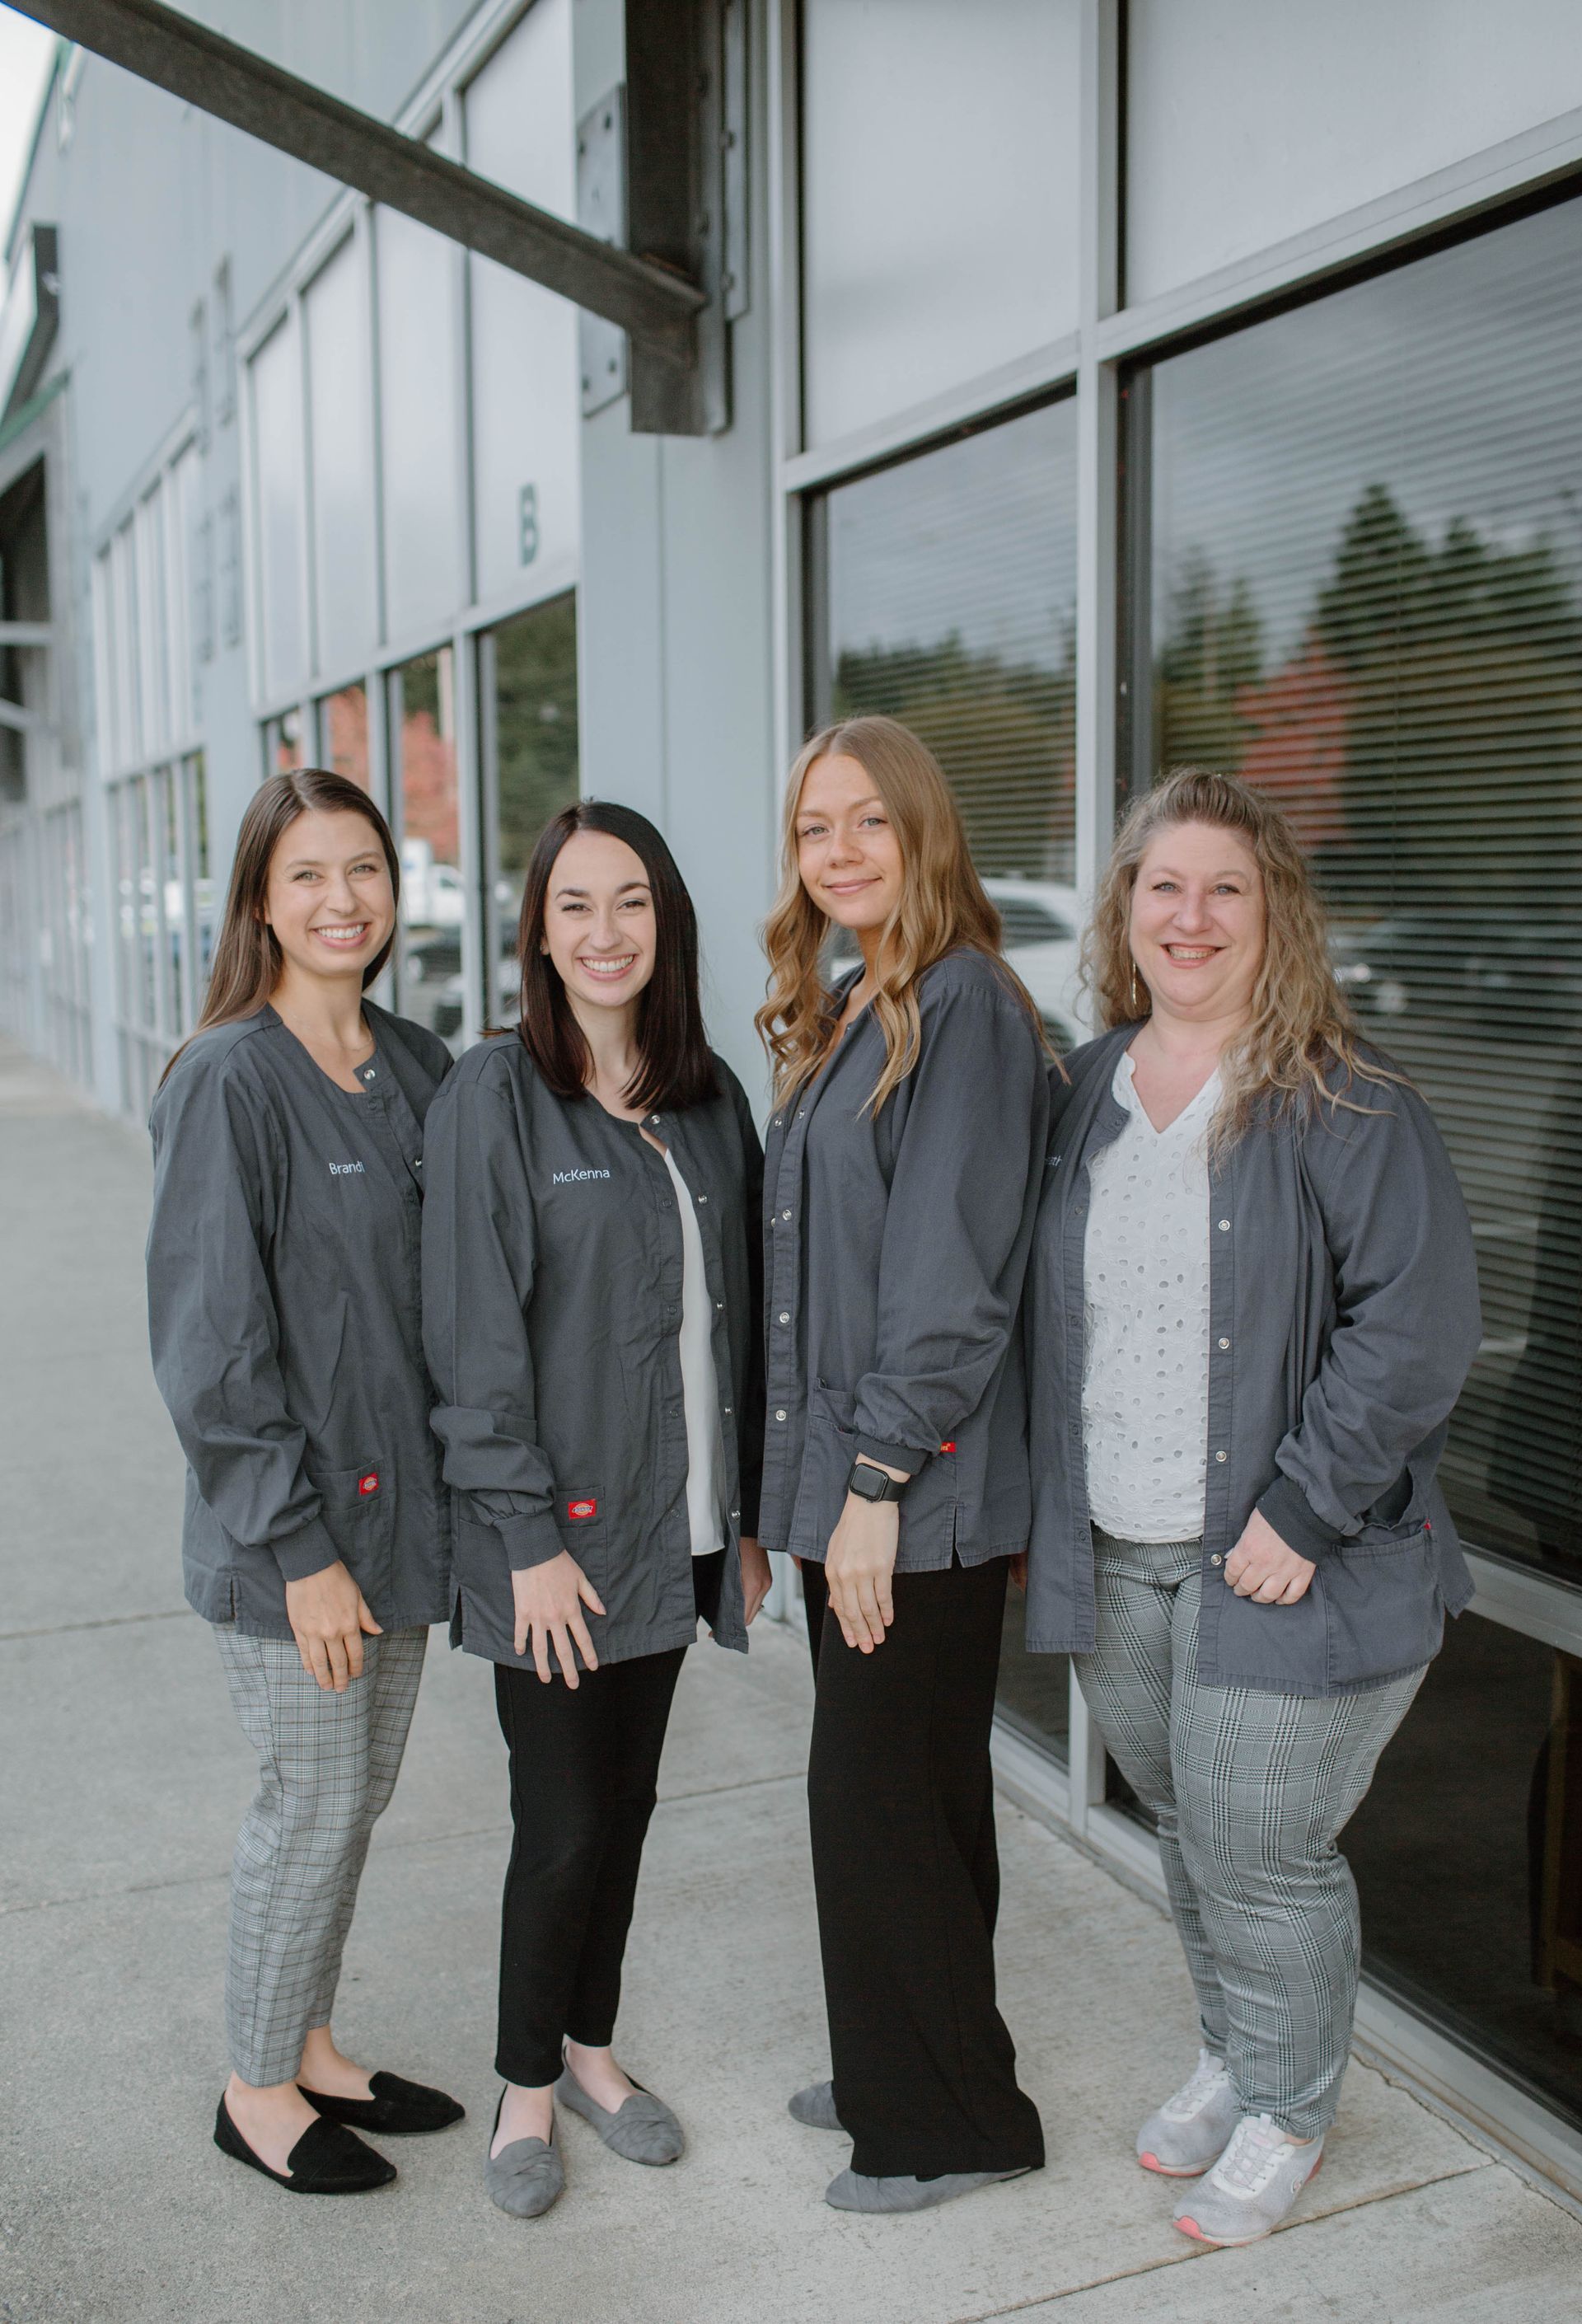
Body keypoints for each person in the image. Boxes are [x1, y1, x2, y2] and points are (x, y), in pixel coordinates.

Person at [1023, 766, 1481, 2247]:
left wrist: (1303, 1509)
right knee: (1182, 1822)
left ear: (1276, 913)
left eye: (1228, 887)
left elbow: (1415, 1332)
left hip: (1291, 1562)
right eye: (1166, 886)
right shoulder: (1082, 1093)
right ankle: (1233, 2050)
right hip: (1118, 1551)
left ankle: (1288, 2109)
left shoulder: (1350, 1103)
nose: (1193, 915)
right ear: (1126, 911)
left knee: (1263, 1844)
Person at [420, 800, 770, 2222]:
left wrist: (741, 1514)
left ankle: (591, 2050)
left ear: (665, 920)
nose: (605, 933)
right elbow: (471, 1344)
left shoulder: (708, 1098)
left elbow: (732, 1324)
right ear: (538, 930)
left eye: (630, 903)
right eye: (575, 905)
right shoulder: (494, 1095)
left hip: (679, 1534)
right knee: (559, 1824)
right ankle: (521, 2090)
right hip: (555, 1547)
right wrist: (526, 1543)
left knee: (625, 1813)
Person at [147, 769, 461, 2199]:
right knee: (311, 1801)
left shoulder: (418, 1064)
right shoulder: (226, 1076)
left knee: (361, 1795)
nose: (344, 901)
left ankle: (313, 2041)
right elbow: (212, 1350)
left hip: (401, 1527)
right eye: (309, 876)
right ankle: (255, 2086)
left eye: (366, 871)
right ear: (261, 903)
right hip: (298, 1549)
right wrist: (297, 1549)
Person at [754, 714, 1051, 2215]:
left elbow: (952, 1291)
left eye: (868, 820)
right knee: (907, 1798)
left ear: (923, 830)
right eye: (816, 828)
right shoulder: (857, 1006)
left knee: (880, 1801)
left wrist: (869, 1490)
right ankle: (904, 2063)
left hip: (912, 1503)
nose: (842, 850)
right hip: (852, 1497)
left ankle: (948, 2121)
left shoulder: (966, 1012)